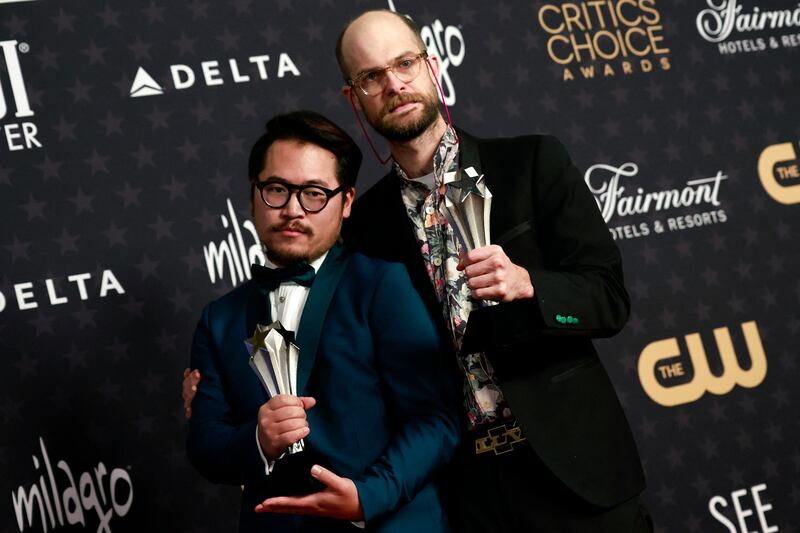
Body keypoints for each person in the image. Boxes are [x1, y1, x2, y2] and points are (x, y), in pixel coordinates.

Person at [333, 9, 652, 532]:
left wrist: (531, 285)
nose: (394, 84)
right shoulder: (364, 227)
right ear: (354, 96)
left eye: (405, 63)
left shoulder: (530, 163)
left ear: (431, 66)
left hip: (576, 474)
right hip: (466, 494)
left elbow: (608, 297)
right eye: (371, 76)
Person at [186, 110, 460, 532]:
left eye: (314, 193)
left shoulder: (380, 286)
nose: (293, 209)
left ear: (346, 202)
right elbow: (205, 445)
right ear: (253, 195)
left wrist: (369, 494)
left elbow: (436, 418)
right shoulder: (219, 320)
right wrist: (257, 441)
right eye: (276, 189)